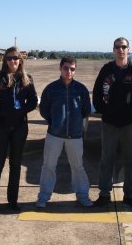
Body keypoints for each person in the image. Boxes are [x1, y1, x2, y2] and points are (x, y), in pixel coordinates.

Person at [92, 37, 132, 208]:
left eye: (123, 47)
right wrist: (105, 111)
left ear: (128, 49)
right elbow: (96, 94)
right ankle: (104, 194)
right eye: (118, 47)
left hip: (129, 123)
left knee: (130, 160)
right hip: (109, 122)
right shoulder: (106, 69)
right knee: (106, 159)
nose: (121, 50)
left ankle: (130, 195)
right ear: (113, 49)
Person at [0, 47, 38, 212]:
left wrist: (21, 111)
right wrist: (0, 112)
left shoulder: (27, 79)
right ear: (5, 61)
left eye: (15, 58)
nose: (12, 61)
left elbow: (33, 101)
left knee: (15, 164)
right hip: (1, 126)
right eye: (9, 58)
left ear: (20, 60)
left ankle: (12, 200)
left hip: (20, 127)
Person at [36, 56, 93, 208]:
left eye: (72, 69)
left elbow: (86, 110)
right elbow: (44, 110)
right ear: (60, 69)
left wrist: (75, 123)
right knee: (48, 166)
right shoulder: (51, 88)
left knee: (78, 167)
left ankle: (82, 195)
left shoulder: (81, 90)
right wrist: (55, 122)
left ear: (75, 70)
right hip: (54, 134)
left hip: (75, 135)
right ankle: (43, 196)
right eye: (66, 68)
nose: (69, 71)